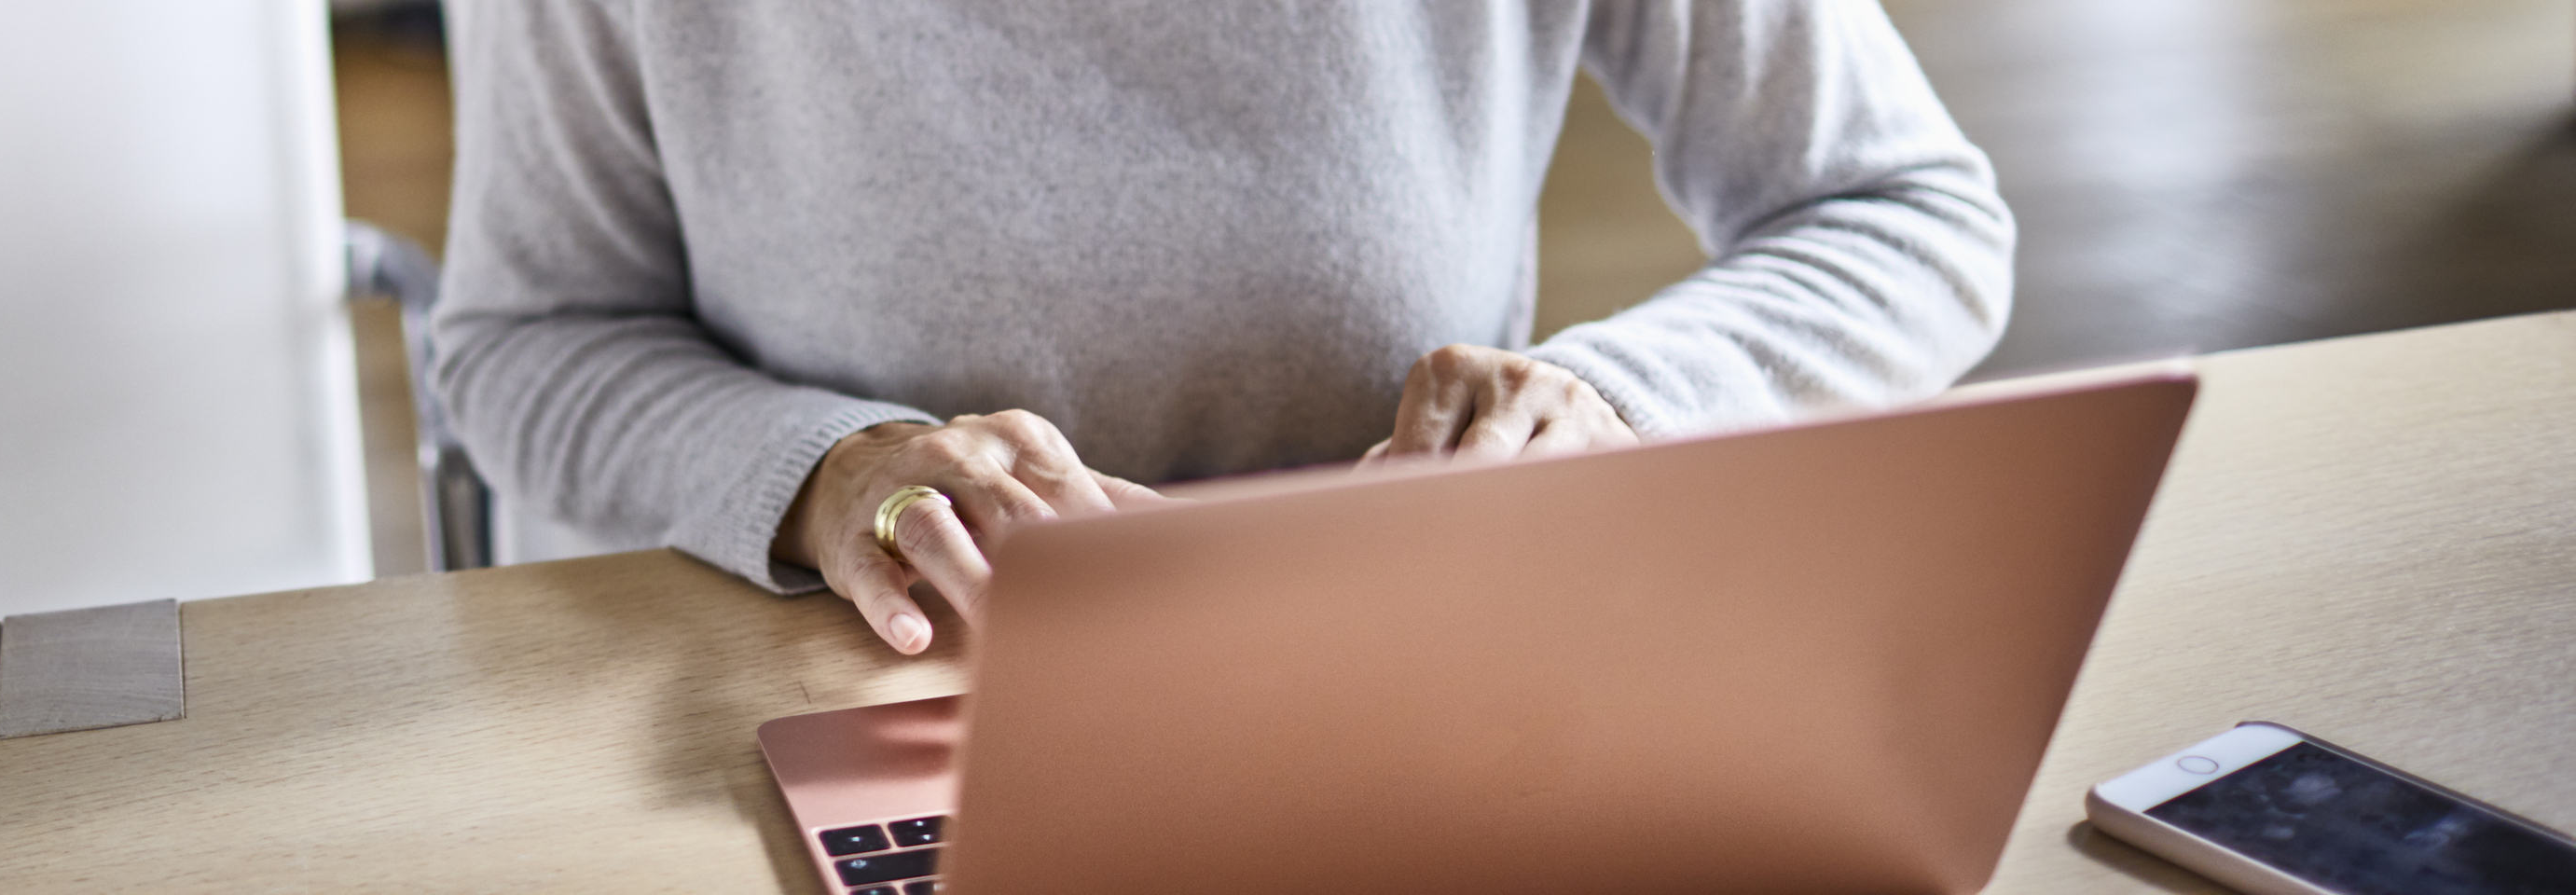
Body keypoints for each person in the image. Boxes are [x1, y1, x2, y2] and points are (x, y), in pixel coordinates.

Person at [430, 1, 2012, 654]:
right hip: (864, 689)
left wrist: (1617, 398)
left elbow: (1905, 213)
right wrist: (827, 471)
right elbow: (528, 337)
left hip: (1419, 674)